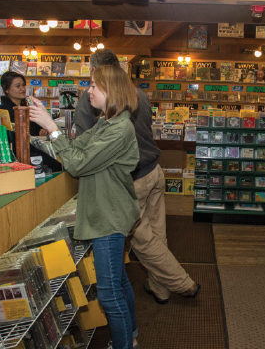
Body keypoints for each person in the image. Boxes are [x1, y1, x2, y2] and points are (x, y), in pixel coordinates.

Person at [74, 49, 200, 305]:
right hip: (154, 170)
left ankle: (183, 284)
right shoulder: (138, 92)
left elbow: (86, 147)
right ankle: (160, 289)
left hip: (131, 180)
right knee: (156, 233)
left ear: (97, 71)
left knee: (142, 241)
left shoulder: (92, 98)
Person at [28, 65, 141, 349]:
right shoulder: (108, 122)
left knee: (108, 293)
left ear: (111, 89)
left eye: (94, 85)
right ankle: (132, 334)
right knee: (118, 281)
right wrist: (57, 135)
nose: (88, 90)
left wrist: (53, 130)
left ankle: (125, 343)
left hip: (108, 216)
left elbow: (77, 163)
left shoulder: (120, 128)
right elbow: (79, 150)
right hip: (106, 211)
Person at [0, 71, 46, 136]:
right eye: (17, 86)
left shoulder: (28, 108)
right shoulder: (2, 111)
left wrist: (44, 129)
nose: (23, 89)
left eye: (23, 85)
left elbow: (38, 127)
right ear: (7, 89)